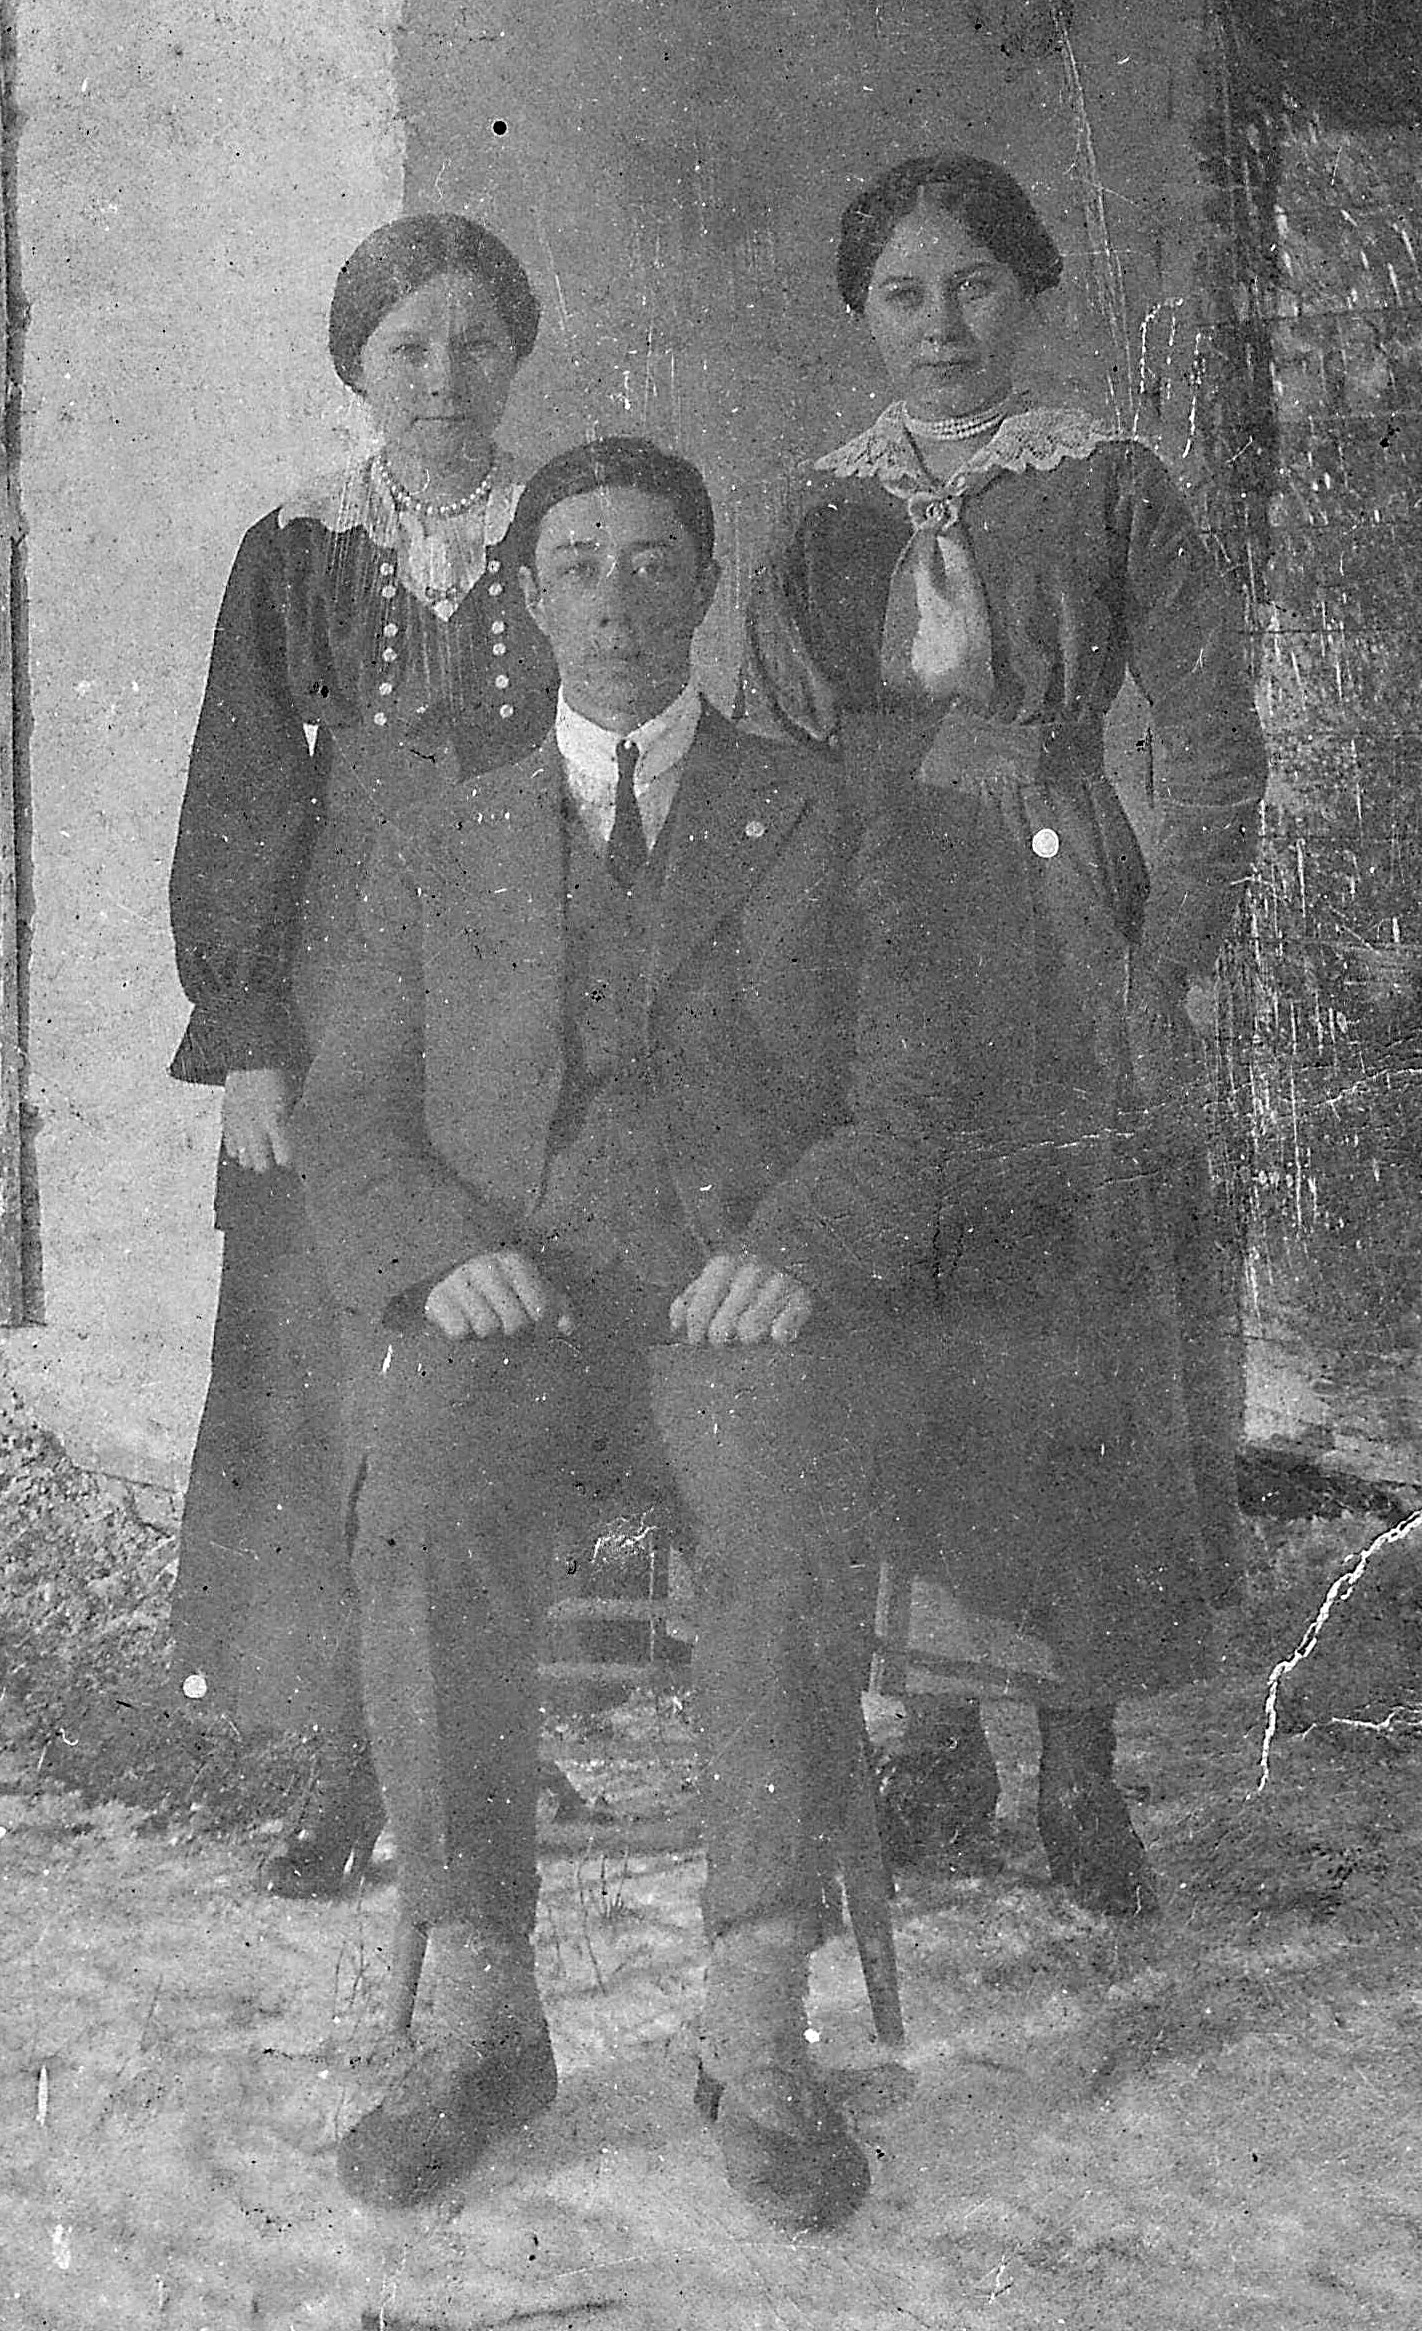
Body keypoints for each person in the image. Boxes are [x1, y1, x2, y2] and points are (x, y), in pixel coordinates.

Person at [295, 435, 973, 2231]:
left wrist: (803, 1247)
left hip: (730, 1307)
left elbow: (908, 1100)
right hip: (509, 1306)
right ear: (529, 602)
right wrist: (437, 1252)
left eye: (652, 561)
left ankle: (755, 2025)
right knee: (421, 1485)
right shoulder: (437, 842)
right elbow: (350, 1114)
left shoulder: (822, 813)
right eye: (577, 563)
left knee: (784, 1505)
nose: (613, 596)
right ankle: (479, 2018)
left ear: (700, 588)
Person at [740, 152, 1268, 1918]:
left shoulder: (1108, 482)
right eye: (902, 294)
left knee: (1076, 1327)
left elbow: (1208, 736)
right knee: (909, 1308)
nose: (941, 326)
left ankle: (1079, 1771)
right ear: (861, 316)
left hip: (1065, 944)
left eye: (973, 286)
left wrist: (1168, 952)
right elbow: (774, 759)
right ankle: (930, 1749)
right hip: (880, 943)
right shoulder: (818, 512)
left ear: (1028, 295)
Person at [168, 214, 558, 1897]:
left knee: (505, 1338)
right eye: (409, 348)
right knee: (319, 1359)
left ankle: (495, 1735)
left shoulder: (573, 526)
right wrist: (251, 1034)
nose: (444, 378)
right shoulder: (297, 546)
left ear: (515, 355)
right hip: (335, 989)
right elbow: (244, 791)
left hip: (523, 972)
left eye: (475, 342)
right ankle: (344, 1754)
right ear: (357, 367)